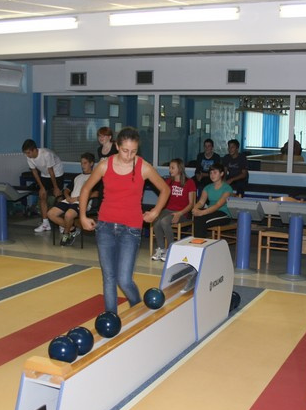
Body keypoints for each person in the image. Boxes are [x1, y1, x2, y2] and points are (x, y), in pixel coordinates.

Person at [78, 127, 170, 314]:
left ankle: (138, 309)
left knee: (124, 279)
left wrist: (155, 212)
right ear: (117, 147)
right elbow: (86, 189)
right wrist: (82, 216)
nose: (129, 156)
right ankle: (111, 316)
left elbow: (165, 189)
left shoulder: (143, 167)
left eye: (133, 151)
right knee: (109, 278)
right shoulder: (104, 166)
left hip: (131, 229)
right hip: (105, 226)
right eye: (125, 150)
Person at [151, 158, 196, 261]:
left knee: (164, 221)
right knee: (156, 221)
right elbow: (162, 197)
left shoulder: (189, 182)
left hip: (183, 213)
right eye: (169, 167)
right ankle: (161, 249)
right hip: (168, 210)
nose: (170, 170)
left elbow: (191, 204)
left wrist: (179, 213)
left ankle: (171, 250)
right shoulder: (169, 182)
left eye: (172, 168)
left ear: (179, 169)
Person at [48, 152, 96, 246]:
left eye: (85, 163)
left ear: (91, 163)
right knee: (50, 214)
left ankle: (66, 234)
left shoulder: (95, 177)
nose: (82, 165)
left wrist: (78, 198)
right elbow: (67, 190)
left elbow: (96, 193)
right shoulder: (77, 177)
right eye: (81, 163)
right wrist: (68, 197)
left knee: (68, 215)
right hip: (69, 200)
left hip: (81, 202)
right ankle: (72, 229)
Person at [22, 139, 64, 233]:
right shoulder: (29, 157)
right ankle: (45, 224)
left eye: (28, 153)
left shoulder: (46, 154)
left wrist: (56, 187)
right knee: (42, 195)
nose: (27, 155)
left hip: (56, 173)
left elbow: (51, 171)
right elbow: (34, 172)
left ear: (34, 150)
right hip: (44, 174)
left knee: (58, 196)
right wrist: (42, 187)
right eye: (25, 153)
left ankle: (62, 223)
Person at [192, 163, 233, 238]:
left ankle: (199, 242)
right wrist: (195, 208)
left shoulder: (227, 188)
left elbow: (218, 205)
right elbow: (201, 202)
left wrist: (202, 212)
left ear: (221, 174)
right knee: (198, 217)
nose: (212, 175)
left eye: (215, 172)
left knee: (201, 219)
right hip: (210, 212)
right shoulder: (207, 187)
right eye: (210, 173)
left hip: (224, 214)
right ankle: (199, 241)